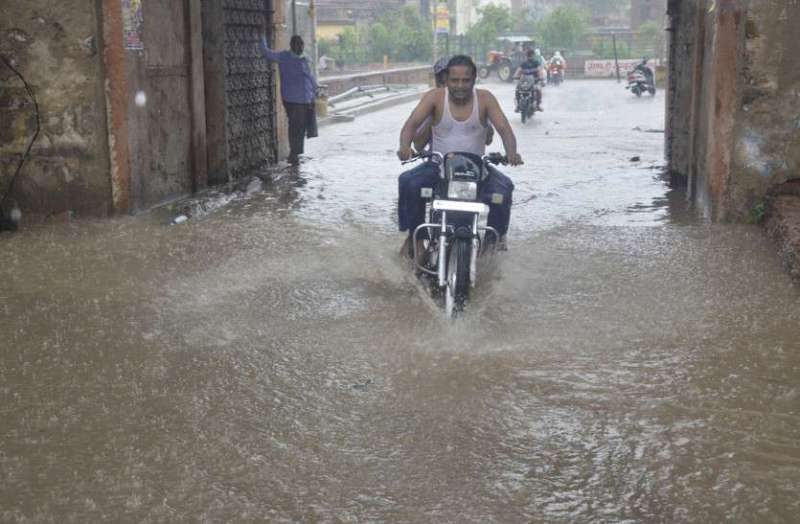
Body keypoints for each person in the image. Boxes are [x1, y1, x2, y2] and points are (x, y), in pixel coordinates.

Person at [396, 55, 522, 259]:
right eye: (455, 80)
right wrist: (404, 147)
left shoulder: (485, 98)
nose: (460, 86)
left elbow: (504, 129)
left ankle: (493, 244)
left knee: (504, 189)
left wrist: (512, 152)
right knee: (408, 182)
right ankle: (416, 239)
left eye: (466, 80)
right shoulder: (434, 97)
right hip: (438, 167)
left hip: (477, 168)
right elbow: (410, 125)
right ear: (446, 80)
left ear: (474, 80)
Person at [259, 35, 317, 165]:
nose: (300, 47)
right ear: (291, 45)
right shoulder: (284, 57)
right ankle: (293, 153)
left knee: (299, 126)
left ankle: (295, 152)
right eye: (298, 44)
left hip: (304, 98)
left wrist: (315, 91)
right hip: (293, 99)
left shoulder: (305, 59)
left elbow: (310, 78)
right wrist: (261, 37)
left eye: (302, 45)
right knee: (296, 126)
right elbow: (267, 53)